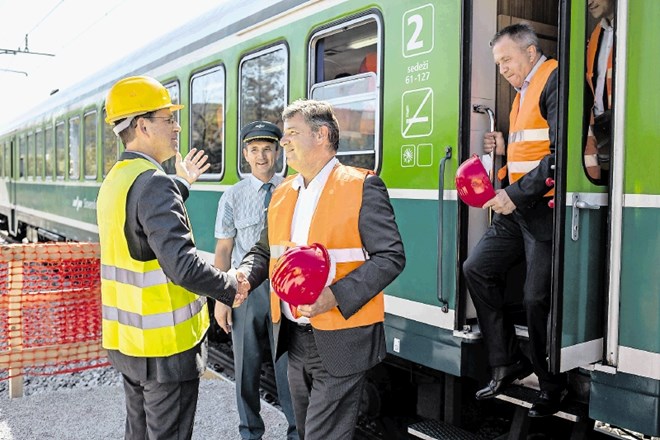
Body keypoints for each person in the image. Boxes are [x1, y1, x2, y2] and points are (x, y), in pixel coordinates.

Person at [236, 99, 406, 439]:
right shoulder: (283, 193)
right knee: (302, 431)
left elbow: (391, 257)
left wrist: (334, 296)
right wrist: (243, 275)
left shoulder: (362, 185)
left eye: (292, 133)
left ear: (322, 135)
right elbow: (264, 250)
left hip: (343, 337)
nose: (283, 142)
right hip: (292, 339)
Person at [97, 75, 248, 440]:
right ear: (143, 125)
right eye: (169, 119)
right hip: (166, 348)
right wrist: (231, 286)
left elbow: (141, 227)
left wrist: (181, 182)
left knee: (140, 433)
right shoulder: (154, 183)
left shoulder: (118, 180)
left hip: (129, 342)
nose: (178, 126)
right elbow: (181, 265)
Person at [462, 23, 566, 418]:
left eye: (506, 60)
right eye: (498, 62)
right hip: (516, 207)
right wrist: (504, 150)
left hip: (542, 208)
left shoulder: (553, 79)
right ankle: (507, 362)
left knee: (536, 299)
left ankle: (551, 383)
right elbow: (531, 148)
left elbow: (561, 156)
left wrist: (512, 194)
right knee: (477, 268)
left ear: (529, 50)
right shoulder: (522, 92)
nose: (502, 69)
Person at [213, 120, 298, 440]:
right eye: (254, 150)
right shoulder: (232, 197)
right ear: (245, 155)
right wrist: (222, 300)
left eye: (267, 149)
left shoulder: (292, 189)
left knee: (288, 369)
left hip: (285, 291)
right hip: (245, 291)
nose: (261, 156)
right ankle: (250, 432)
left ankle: (296, 432)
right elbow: (223, 250)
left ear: (278, 152)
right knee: (246, 369)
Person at [583, 0, 615, 182]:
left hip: (625, 127)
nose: (589, 2)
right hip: (600, 129)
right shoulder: (596, 34)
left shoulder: (635, 29)